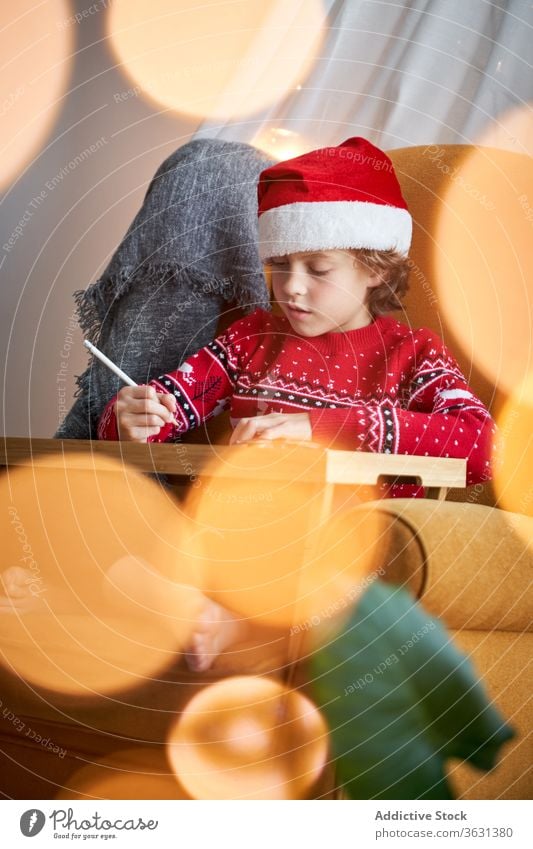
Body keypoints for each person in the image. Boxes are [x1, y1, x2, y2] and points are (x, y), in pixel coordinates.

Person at [4, 138, 495, 672]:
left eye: (318, 268)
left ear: (375, 267)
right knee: (120, 548)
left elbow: (480, 444)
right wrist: (135, 417)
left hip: (332, 547)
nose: (293, 288)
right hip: (224, 535)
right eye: (280, 265)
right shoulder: (252, 337)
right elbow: (175, 401)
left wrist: (316, 426)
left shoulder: (412, 354)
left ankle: (200, 614)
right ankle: (185, 607)